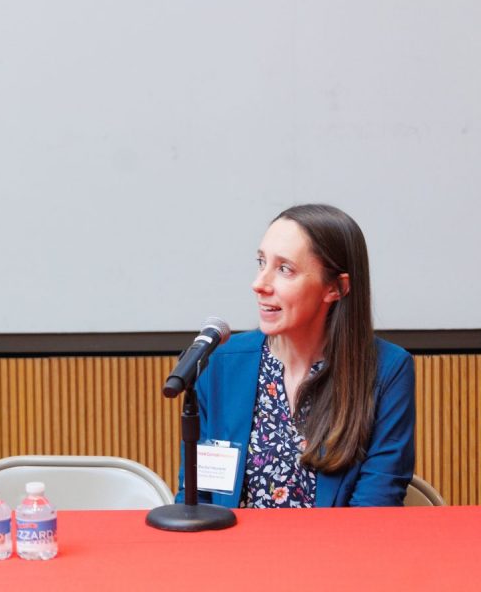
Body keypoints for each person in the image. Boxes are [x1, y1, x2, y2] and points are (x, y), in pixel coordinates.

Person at [177, 204, 415, 507]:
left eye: (284, 269)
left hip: (337, 552)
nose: (259, 284)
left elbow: (375, 507)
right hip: (232, 553)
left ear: (336, 288)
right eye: (261, 262)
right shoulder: (220, 363)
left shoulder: (387, 370)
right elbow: (195, 499)